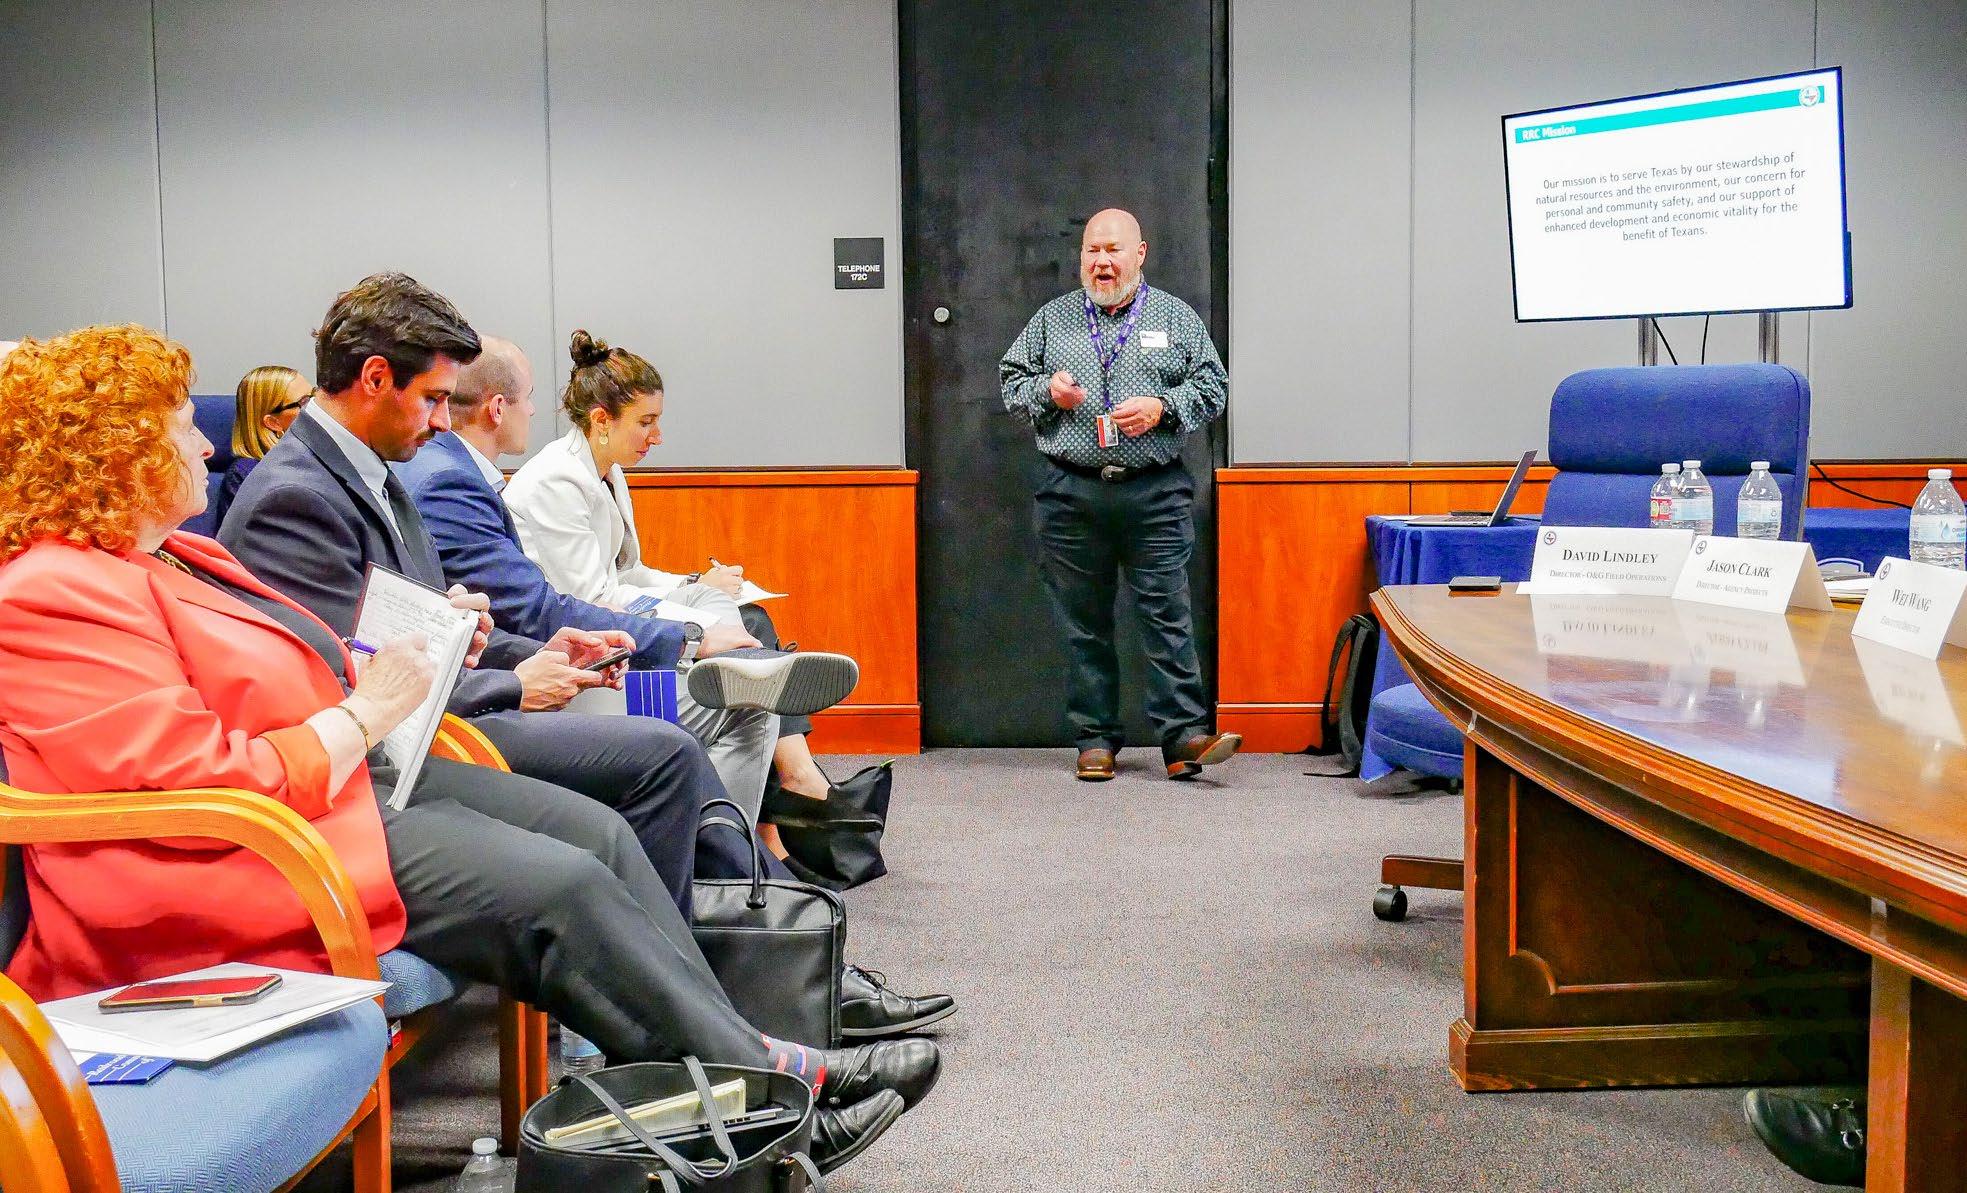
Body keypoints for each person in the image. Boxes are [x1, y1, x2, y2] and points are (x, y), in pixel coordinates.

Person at [0, 325, 934, 1171]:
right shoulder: (52, 589)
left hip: (328, 794)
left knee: (597, 833)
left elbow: (298, 663)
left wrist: (427, 648)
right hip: (238, 853)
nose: (206, 443)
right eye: (179, 427)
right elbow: (185, 780)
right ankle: (770, 1096)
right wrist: (362, 715)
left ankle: (738, 1067)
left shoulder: (166, 555)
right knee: (559, 887)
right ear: (112, 449)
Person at [224, 273, 950, 1035]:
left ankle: (759, 983)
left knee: (667, 754)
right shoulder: (299, 496)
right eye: (434, 398)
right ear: (376, 378)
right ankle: (754, 987)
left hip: (442, 722)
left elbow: (408, 635)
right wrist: (513, 679)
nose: (443, 419)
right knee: (664, 755)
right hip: (414, 753)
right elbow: (352, 689)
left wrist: (520, 645)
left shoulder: (368, 471)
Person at [400, 334, 856, 821]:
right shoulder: (517, 479)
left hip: (571, 646)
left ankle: (757, 820)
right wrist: (691, 637)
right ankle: (740, 840)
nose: (533, 410)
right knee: (748, 702)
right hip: (558, 672)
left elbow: (618, 575)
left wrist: (693, 588)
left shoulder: (592, 472)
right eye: (646, 422)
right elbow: (559, 607)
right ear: (497, 408)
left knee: (730, 613)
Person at [1000, 207, 1240, 782]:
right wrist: (1047, 393)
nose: (1102, 262)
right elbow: (1011, 382)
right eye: (1093, 250)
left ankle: (1183, 737)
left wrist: (1163, 407)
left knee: (1167, 615)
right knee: (1083, 621)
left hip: (1154, 492)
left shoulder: (1174, 317)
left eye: (1113, 250)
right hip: (1070, 492)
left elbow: (1214, 387)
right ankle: (1095, 738)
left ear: (1140, 254)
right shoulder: (1052, 319)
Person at [215, 364, 315, 526]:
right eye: (304, 402)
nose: (316, 406)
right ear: (273, 422)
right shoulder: (246, 475)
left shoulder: (320, 456)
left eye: (314, 395)